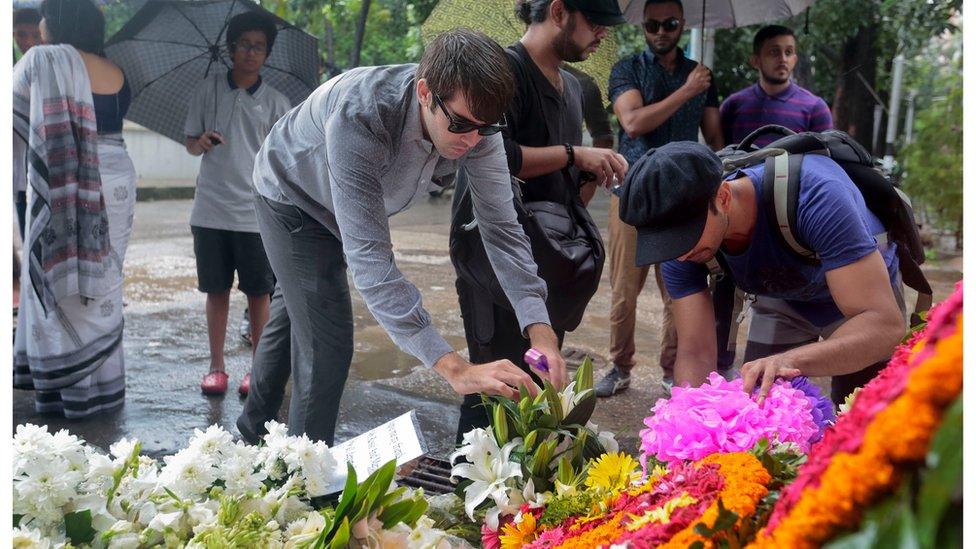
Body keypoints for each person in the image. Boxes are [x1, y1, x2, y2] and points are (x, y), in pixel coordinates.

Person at [237, 29, 564, 446]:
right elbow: (372, 262)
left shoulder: (477, 127)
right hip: (291, 195)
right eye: (461, 125)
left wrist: (541, 331)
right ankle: (307, 483)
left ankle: (250, 433)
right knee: (328, 343)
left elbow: (501, 229)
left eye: (487, 128)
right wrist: (454, 368)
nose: (472, 140)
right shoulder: (363, 114)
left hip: (341, 199)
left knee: (298, 310)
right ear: (426, 92)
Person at [452, 0, 628, 440]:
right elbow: (496, 155)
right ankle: (464, 499)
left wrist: (584, 173)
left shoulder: (573, 86)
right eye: (596, 22)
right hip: (493, 255)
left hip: (548, 261)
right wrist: (573, 153)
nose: (602, 34)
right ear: (558, 11)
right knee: (492, 392)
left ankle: (517, 504)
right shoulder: (503, 73)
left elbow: (559, 178)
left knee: (535, 392)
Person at [618, 141, 906, 405]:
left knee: (859, 416)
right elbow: (696, 353)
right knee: (761, 404)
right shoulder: (683, 248)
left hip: (860, 297)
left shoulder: (817, 196)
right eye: (667, 243)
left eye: (684, 237)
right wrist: (687, 425)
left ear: (723, 197)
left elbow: (883, 325)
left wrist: (792, 359)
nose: (680, 254)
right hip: (784, 294)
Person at [13, 0, 136, 418]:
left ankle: (64, 396)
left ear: (57, 20)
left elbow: (12, 121)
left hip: (63, 182)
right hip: (117, 181)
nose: (39, 26)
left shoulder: (41, 60)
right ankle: (101, 391)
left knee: (57, 276)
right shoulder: (115, 69)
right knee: (103, 282)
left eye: (44, 17)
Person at [597, 0, 724, 397]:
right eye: (652, 25)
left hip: (687, 200)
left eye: (669, 24)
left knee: (681, 289)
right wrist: (687, 91)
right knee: (624, 288)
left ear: (682, 24)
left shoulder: (701, 75)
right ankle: (619, 366)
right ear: (643, 27)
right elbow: (632, 123)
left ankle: (673, 369)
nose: (660, 32)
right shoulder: (628, 69)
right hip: (632, 193)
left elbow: (716, 138)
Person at [184, 11, 291, 396]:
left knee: (258, 293)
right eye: (244, 44)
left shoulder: (277, 103)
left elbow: (283, 160)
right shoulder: (207, 90)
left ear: (267, 54)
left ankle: (258, 371)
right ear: (230, 48)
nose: (250, 52)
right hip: (210, 210)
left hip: (254, 213)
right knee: (216, 290)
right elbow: (190, 142)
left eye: (258, 47)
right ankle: (216, 367)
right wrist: (202, 141)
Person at [720, 25, 833, 147]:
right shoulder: (732, 105)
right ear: (755, 61)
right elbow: (719, 156)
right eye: (774, 52)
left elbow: (824, 162)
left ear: (794, 60)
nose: (783, 59)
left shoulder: (815, 108)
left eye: (788, 52)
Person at [13, 8, 42, 241]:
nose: (28, 42)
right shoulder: (13, 70)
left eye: (34, 35)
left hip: (45, 172)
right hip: (21, 176)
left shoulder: (51, 70)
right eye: (21, 34)